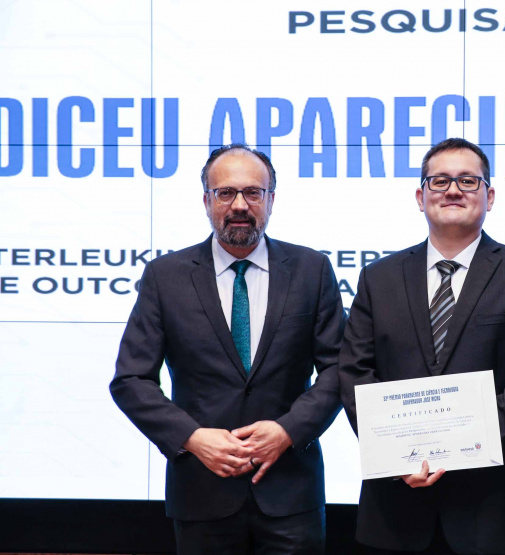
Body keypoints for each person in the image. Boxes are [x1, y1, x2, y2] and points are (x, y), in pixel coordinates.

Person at [110, 144, 345, 554]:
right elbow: (131, 380)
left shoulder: (311, 270)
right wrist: (193, 437)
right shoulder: (166, 277)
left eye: (253, 193)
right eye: (225, 193)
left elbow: (339, 368)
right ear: (206, 201)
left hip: (291, 493)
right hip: (201, 492)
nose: (240, 205)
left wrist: (289, 430)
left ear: (271, 199)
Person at [339, 138, 505, 555]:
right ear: (420, 196)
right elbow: (354, 374)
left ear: (490, 196)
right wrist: (397, 455)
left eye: (468, 181)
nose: (453, 190)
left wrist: (456, 446)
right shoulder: (378, 279)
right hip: (396, 511)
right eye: (439, 181)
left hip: (495, 513)